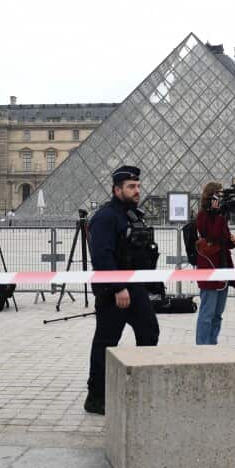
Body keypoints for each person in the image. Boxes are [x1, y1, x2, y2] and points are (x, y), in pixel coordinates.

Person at [83, 165, 160, 415]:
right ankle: (96, 397)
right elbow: (102, 256)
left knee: (149, 332)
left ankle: (141, 386)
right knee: (106, 342)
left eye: (138, 186)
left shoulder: (132, 215)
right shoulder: (105, 217)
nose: (137, 190)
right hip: (112, 290)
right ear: (117, 189)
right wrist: (118, 287)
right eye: (131, 187)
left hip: (134, 287)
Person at [194, 182, 235, 345]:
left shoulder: (221, 215)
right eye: (219, 194)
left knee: (218, 314)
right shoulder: (202, 216)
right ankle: (202, 346)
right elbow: (212, 237)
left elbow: (224, 240)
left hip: (223, 268)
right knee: (207, 314)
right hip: (210, 270)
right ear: (211, 196)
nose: (222, 198)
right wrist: (218, 215)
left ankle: (212, 344)